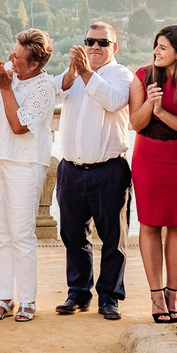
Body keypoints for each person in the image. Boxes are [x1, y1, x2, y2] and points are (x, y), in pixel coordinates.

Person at [52, 21, 133, 320]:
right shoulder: (72, 74)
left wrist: (87, 73)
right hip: (71, 169)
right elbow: (52, 97)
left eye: (103, 42)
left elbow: (114, 101)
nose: (96, 47)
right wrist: (73, 74)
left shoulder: (122, 75)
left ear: (114, 47)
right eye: (91, 41)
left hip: (109, 169)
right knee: (72, 235)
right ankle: (78, 293)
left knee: (114, 238)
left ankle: (110, 296)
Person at [0, 29, 58, 323]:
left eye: (18, 57)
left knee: (22, 233)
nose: (11, 58)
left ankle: (28, 300)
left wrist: (7, 88)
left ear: (35, 64)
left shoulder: (45, 87)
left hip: (25, 163)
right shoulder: (6, 75)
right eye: (12, 52)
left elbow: (19, 127)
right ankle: (3, 297)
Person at [128, 25, 177, 324]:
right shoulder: (142, 76)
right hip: (148, 156)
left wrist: (162, 113)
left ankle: (173, 294)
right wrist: (150, 104)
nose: (156, 52)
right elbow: (135, 123)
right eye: (155, 46)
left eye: (163, 47)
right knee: (148, 224)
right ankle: (156, 296)